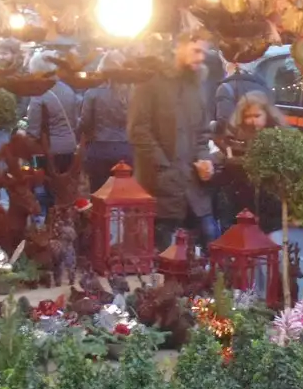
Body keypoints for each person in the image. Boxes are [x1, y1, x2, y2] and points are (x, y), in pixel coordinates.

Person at [130, 29, 218, 247]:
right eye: (196, 50)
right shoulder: (150, 80)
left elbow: (202, 133)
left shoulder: (197, 86)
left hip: (193, 191)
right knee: (162, 254)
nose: (200, 58)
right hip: (160, 190)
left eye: (204, 53)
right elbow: (138, 129)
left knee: (205, 251)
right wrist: (164, 167)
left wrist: (204, 159)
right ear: (179, 45)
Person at [214, 90, 286, 230]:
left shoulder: (279, 137)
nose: (252, 121)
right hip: (238, 208)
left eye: (257, 115)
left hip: (269, 211)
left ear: (267, 114)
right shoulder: (233, 138)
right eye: (248, 116)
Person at [80, 53, 133, 192]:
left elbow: (85, 123)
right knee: (124, 194)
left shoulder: (92, 93)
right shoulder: (132, 92)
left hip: (99, 149)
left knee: (99, 194)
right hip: (126, 149)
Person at [211, 56, 269, 130]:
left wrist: (213, 126)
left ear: (235, 64)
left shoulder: (226, 88)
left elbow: (224, 121)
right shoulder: (263, 86)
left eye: (225, 63)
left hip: (236, 138)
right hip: (259, 138)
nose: (225, 66)